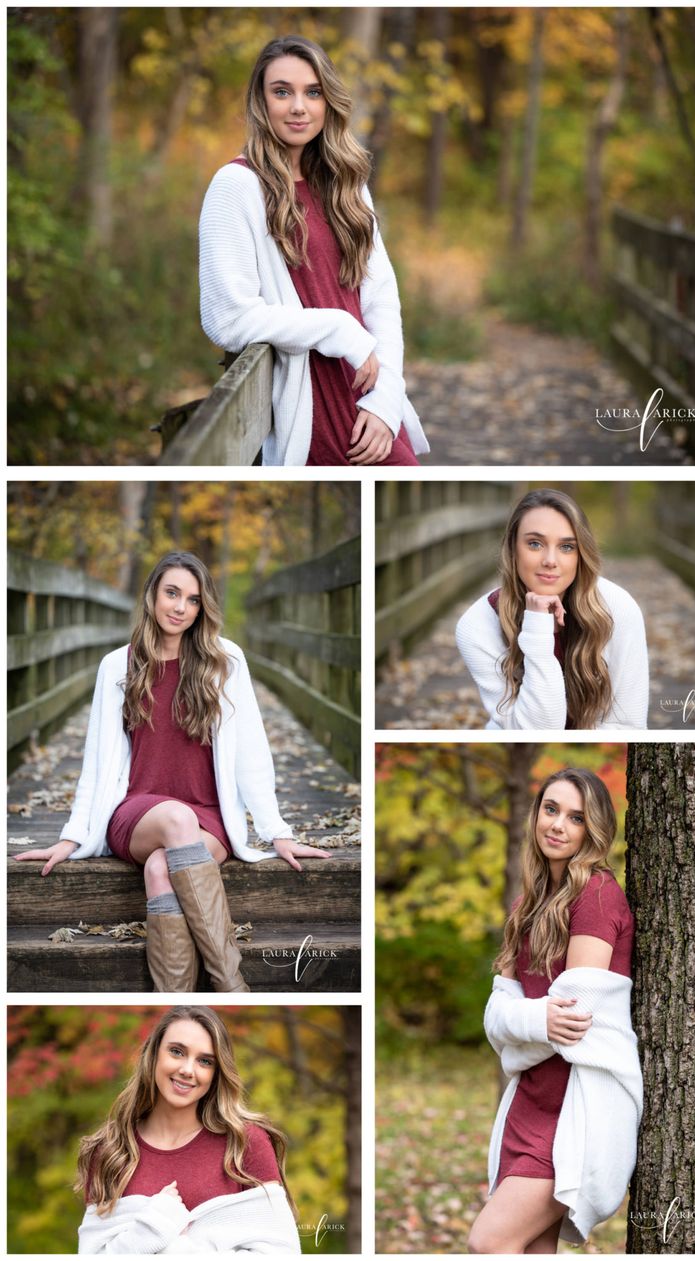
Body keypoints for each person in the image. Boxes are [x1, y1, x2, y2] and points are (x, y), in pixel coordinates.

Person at [15, 551, 329, 993]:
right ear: (152, 596)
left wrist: (277, 830)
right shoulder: (117, 666)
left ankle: (179, 995)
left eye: (193, 599)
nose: (180, 607)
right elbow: (96, 760)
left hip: (209, 816)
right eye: (172, 593)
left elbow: (252, 752)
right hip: (138, 812)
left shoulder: (225, 660)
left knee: (162, 869)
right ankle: (232, 985)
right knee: (174, 821)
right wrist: (72, 836)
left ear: (204, 608)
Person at [199, 34, 429, 467]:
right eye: (282, 92)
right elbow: (227, 318)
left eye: (313, 92)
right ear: (260, 102)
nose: (298, 107)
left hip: (371, 397)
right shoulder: (236, 187)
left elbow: (380, 296)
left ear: (329, 102)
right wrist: (340, 330)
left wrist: (387, 397)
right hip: (314, 404)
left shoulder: (346, 183)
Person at [471, 768, 642, 1254]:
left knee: (491, 1241)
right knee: (532, 1248)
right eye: (551, 810)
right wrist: (530, 1021)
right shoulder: (528, 904)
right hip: (529, 1102)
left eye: (576, 818)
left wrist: (522, 1023)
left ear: (595, 830)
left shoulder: (596, 895)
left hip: (574, 1108)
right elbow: (495, 1016)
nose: (558, 826)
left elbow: (573, 1017)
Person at [76, 1005, 301, 1254]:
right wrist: (150, 1230)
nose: (187, 1070)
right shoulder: (110, 1151)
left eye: (205, 1061)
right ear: (153, 1055)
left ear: (216, 1073)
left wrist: (172, 1245)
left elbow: (282, 1254)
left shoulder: (245, 1144)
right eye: (176, 1052)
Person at [455, 488, 649, 729]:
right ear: (513, 548)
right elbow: (534, 731)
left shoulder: (617, 608)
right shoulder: (478, 625)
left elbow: (628, 725)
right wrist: (537, 626)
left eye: (567, 547)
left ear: (581, 555)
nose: (550, 560)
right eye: (535, 544)